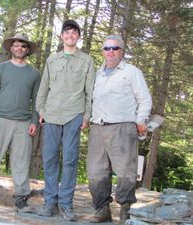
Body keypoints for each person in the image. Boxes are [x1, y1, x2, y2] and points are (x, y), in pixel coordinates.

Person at [87, 34, 152, 224]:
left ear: (121, 51)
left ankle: (125, 210)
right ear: (102, 52)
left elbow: (145, 99)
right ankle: (102, 209)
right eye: (107, 48)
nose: (111, 52)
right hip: (98, 127)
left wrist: (141, 121)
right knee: (96, 171)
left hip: (123, 127)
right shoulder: (97, 75)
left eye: (115, 48)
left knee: (125, 171)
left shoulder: (132, 72)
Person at [0, 33, 41, 212]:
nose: (19, 49)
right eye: (17, 45)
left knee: (21, 161)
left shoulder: (34, 73)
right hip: (0, 120)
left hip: (23, 123)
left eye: (23, 46)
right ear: (11, 48)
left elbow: (36, 101)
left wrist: (34, 121)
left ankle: (21, 198)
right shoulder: (1, 69)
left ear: (28, 50)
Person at [36, 19, 95, 221]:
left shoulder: (87, 61)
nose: (70, 36)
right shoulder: (52, 60)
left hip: (73, 115)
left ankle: (66, 205)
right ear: (61, 36)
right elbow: (43, 88)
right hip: (51, 115)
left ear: (78, 36)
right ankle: (49, 202)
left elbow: (90, 92)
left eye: (74, 33)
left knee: (70, 160)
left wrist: (86, 116)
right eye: (66, 32)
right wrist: (41, 110)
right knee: (50, 159)